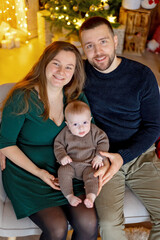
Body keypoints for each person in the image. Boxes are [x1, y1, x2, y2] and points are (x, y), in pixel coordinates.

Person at [0, 41, 98, 240]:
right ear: (44, 63)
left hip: (68, 172)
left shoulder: (75, 97)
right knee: (57, 228)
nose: (61, 71)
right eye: (56, 63)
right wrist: (40, 173)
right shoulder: (23, 97)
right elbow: (6, 142)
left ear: (74, 72)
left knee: (88, 224)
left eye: (69, 67)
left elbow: (90, 134)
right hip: (29, 174)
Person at [79, 16, 160, 240]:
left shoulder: (142, 75)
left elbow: (154, 126)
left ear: (115, 40)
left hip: (140, 154)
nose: (98, 51)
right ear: (83, 49)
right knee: (107, 224)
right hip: (100, 160)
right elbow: (43, 87)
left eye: (103, 41)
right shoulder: (79, 76)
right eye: (89, 45)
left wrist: (122, 157)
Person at [54, 100, 109, 208]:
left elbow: (104, 141)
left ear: (90, 120)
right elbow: (58, 145)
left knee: (92, 176)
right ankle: (69, 196)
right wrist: (62, 156)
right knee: (63, 172)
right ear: (68, 124)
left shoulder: (94, 131)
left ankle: (91, 197)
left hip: (89, 164)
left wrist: (99, 156)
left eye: (85, 122)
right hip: (71, 164)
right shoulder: (65, 133)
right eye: (75, 124)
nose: (81, 128)